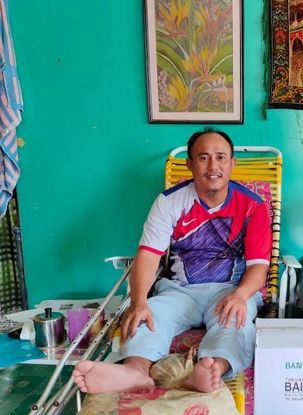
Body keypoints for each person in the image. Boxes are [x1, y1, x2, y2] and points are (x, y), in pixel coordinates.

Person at [73, 129, 272, 394]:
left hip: (231, 290)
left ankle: (211, 370)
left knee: (235, 322)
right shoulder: (169, 202)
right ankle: (135, 371)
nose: (213, 166)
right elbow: (149, 254)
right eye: (203, 157)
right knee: (149, 314)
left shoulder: (252, 205)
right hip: (181, 291)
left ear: (232, 163)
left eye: (221, 157)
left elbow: (259, 265)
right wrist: (139, 301)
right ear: (190, 164)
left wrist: (241, 295)